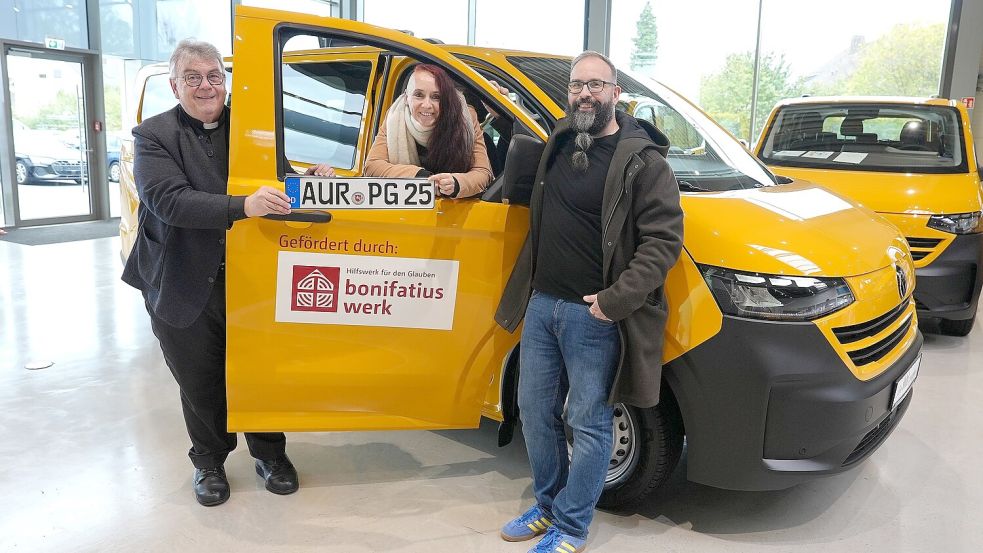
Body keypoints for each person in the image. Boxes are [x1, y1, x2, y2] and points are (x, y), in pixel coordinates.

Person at [494, 51, 684, 552]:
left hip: (594, 315)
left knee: (589, 421)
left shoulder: (645, 163)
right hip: (542, 306)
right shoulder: (558, 140)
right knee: (534, 411)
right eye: (578, 85)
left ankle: (573, 527)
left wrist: (614, 301)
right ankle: (549, 505)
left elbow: (662, 244)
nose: (584, 94)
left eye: (596, 86)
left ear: (616, 95)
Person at [121, 39, 302, 507]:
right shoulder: (153, 135)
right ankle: (209, 462)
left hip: (253, 274)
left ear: (226, 79)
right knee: (199, 378)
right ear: (174, 84)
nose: (206, 86)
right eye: (193, 77)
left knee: (260, 369)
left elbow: (281, 177)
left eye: (214, 75)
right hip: (181, 276)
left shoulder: (254, 126)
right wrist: (244, 206)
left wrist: (308, 177)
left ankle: (270, 454)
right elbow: (168, 200)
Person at [364, 64, 493, 198]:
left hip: (454, 210)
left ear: (447, 100)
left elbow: (483, 172)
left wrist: (456, 183)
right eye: (419, 95)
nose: (427, 105)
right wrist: (420, 177)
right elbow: (372, 166)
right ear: (407, 97)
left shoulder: (466, 117)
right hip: (406, 209)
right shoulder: (394, 117)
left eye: (436, 97)